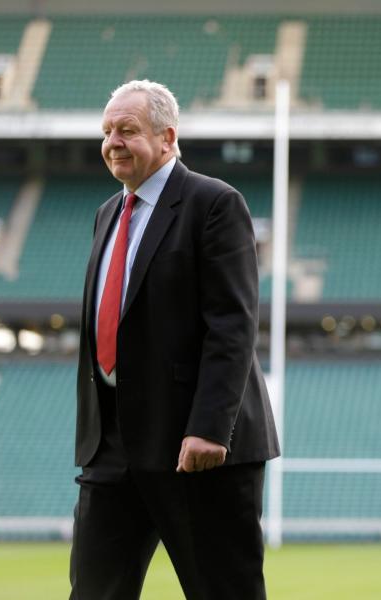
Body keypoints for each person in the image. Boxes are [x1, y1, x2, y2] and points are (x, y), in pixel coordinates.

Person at [71, 80, 279, 599]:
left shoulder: (214, 203)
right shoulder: (106, 215)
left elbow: (233, 324)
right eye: (106, 132)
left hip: (196, 447)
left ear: (167, 137)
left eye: (127, 130)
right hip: (113, 447)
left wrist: (210, 428)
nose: (113, 142)